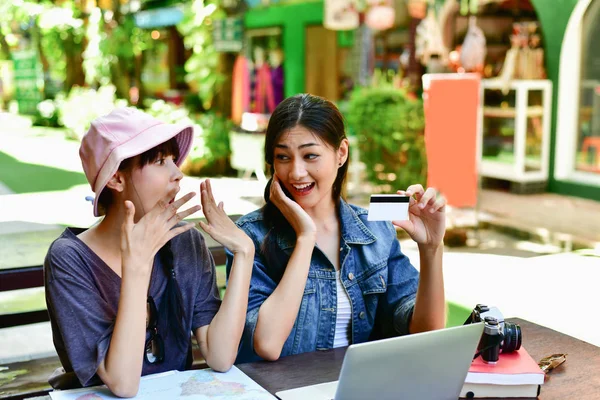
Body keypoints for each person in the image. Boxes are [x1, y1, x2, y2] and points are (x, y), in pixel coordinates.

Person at [44, 108, 254, 397]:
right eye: (159, 162)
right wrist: (138, 263)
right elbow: (123, 384)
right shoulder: (68, 259)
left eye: (173, 160)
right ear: (117, 179)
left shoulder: (185, 241)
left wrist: (244, 253)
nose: (178, 174)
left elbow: (220, 356)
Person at [226, 94, 447, 363]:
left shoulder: (374, 230)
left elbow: (425, 331)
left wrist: (432, 248)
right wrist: (306, 237)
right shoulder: (252, 236)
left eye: (310, 155)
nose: (296, 172)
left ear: (341, 153)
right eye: (283, 157)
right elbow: (267, 345)